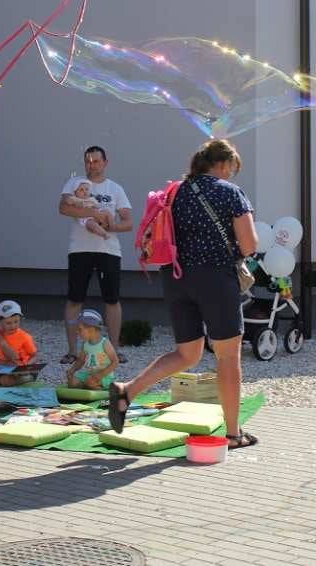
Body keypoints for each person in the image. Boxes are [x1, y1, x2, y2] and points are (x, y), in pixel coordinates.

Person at [107, 139, 260, 449]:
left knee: (187, 353)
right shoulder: (229, 192)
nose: (231, 175)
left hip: (176, 278)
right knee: (228, 356)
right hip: (216, 278)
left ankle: (127, 391)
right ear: (223, 164)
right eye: (232, 169)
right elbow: (249, 245)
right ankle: (233, 434)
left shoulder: (175, 192)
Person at [59, 146, 133, 365]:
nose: (92, 165)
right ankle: (73, 351)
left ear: (105, 162)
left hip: (108, 250)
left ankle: (114, 350)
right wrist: (93, 213)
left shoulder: (115, 189)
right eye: (88, 161)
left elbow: (128, 223)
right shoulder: (75, 183)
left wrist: (110, 226)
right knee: (74, 299)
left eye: (96, 161)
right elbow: (64, 208)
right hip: (79, 249)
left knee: (112, 299)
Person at [0, 300, 38, 387]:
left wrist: (26, 365)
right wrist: (6, 363)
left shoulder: (25, 337)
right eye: (8, 323)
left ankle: (30, 377)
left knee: (5, 381)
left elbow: (34, 356)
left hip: (19, 370)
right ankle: (8, 379)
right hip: (3, 369)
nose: (13, 326)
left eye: (16, 321)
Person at [65, 309, 119, 389]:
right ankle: (86, 385)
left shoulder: (105, 343)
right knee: (72, 383)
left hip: (104, 375)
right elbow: (80, 360)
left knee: (90, 383)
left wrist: (100, 375)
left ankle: (102, 388)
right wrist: (72, 370)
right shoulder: (85, 344)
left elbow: (115, 362)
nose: (77, 332)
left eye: (80, 329)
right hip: (89, 373)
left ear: (91, 329)